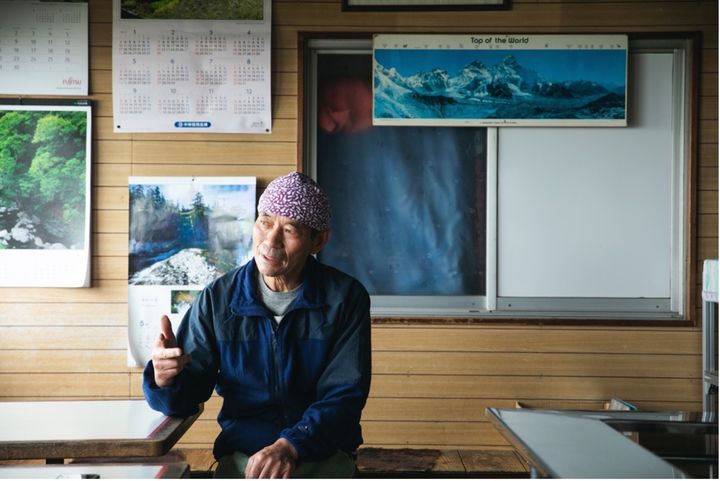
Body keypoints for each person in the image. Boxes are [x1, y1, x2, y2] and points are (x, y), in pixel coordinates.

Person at [143, 172, 372, 479]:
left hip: (322, 453)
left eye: (289, 229)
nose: (271, 240)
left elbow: (344, 396)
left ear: (318, 240)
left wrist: (290, 446)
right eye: (265, 221)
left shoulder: (345, 298)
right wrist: (165, 379)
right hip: (244, 457)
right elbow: (186, 397)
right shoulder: (218, 300)